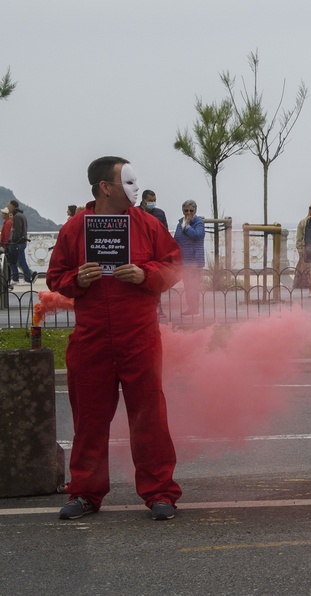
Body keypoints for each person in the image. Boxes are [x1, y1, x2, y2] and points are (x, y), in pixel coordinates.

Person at [47, 156, 183, 521]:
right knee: (89, 420)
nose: (136, 188)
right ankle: (85, 492)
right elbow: (56, 276)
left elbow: (173, 266)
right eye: (128, 181)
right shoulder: (75, 227)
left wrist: (145, 273)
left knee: (149, 417)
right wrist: (78, 279)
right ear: (106, 187)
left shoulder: (148, 225)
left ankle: (160, 492)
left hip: (139, 336)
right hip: (91, 337)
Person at [173, 200, 205, 315]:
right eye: (186, 210)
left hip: (194, 261)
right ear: (183, 211)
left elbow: (197, 235)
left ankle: (194, 309)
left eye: (191, 210)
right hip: (184, 261)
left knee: (193, 286)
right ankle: (190, 307)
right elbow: (176, 239)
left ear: (195, 211)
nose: (188, 213)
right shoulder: (180, 223)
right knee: (187, 286)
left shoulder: (198, 222)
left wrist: (186, 226)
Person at [6, 199, 36, 286]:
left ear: (12, 206)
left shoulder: (17, 216)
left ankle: (27, 279)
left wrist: (13, 241)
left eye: (8, 206)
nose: (8, 207)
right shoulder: (20, 215)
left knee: (21, 261)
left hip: (18, 243)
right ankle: (15, 278)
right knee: (15, 261)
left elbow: (17, 231)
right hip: (21, 242)